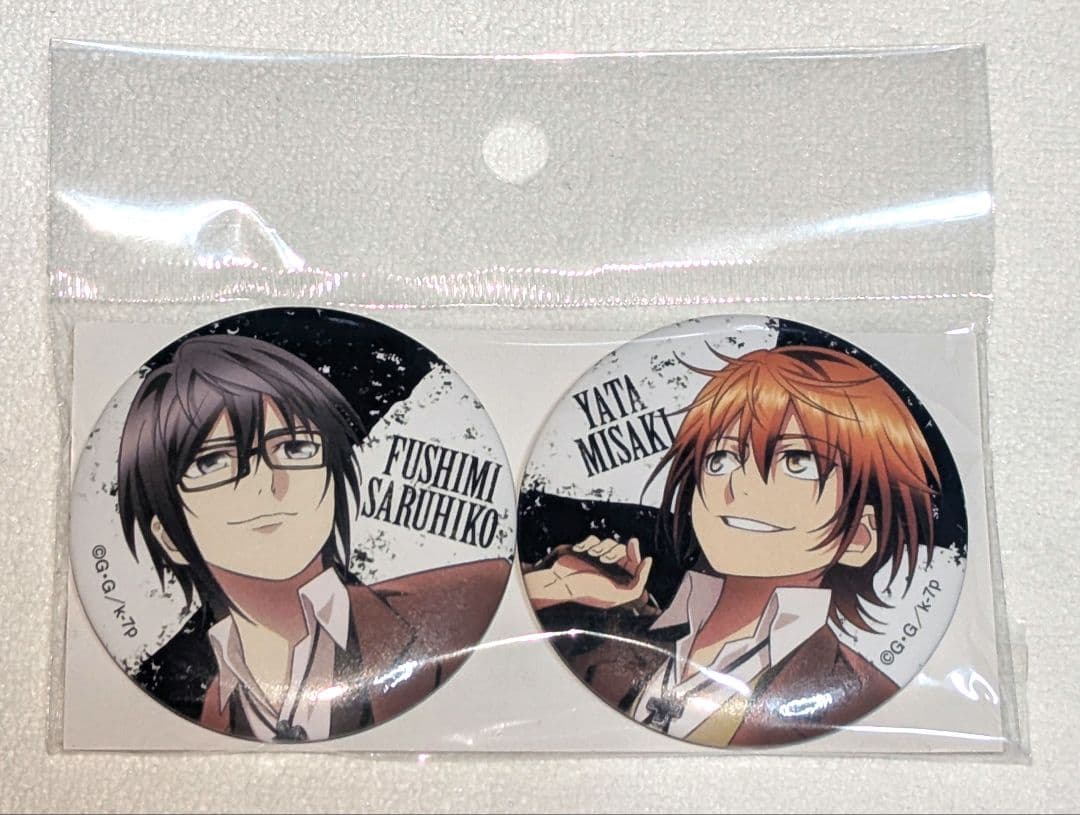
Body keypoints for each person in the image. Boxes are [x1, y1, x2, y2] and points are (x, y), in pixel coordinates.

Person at [524, 345, 939, 746]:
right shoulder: (622, 635)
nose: (738, 484)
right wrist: (560, 589)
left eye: (797, 462)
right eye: (720, 458)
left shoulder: (856, 693)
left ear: (860, 536)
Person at [119, 334, 508, 741]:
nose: (267, 481)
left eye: (294, 448)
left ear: (332, 479)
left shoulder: (469, 603)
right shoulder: (207, 704)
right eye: (213, 461)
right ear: (169, 536)